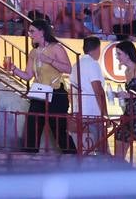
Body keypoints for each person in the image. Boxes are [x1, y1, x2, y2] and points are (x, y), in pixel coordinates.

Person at [9, 16, 75, 154]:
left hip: (56, 92)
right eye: (29, 31)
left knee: (58, 127)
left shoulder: (56, 48)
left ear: (42, 32)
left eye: (32, 31)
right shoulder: (33, 52)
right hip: (39, 93)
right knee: (32, 124)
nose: (29, 34)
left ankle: (73, 156)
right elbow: (28, 75)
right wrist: (14, 69)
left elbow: (68, 69)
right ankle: (30, 156)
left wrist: (49, 60)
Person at [72, 36, 108, 154]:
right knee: (101, 150)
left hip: (79, 112)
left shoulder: (75, 65)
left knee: (85, 150)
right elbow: (98, 89)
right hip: (93, 113)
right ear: (97, 49)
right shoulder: (93, 64)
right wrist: (105, 113)